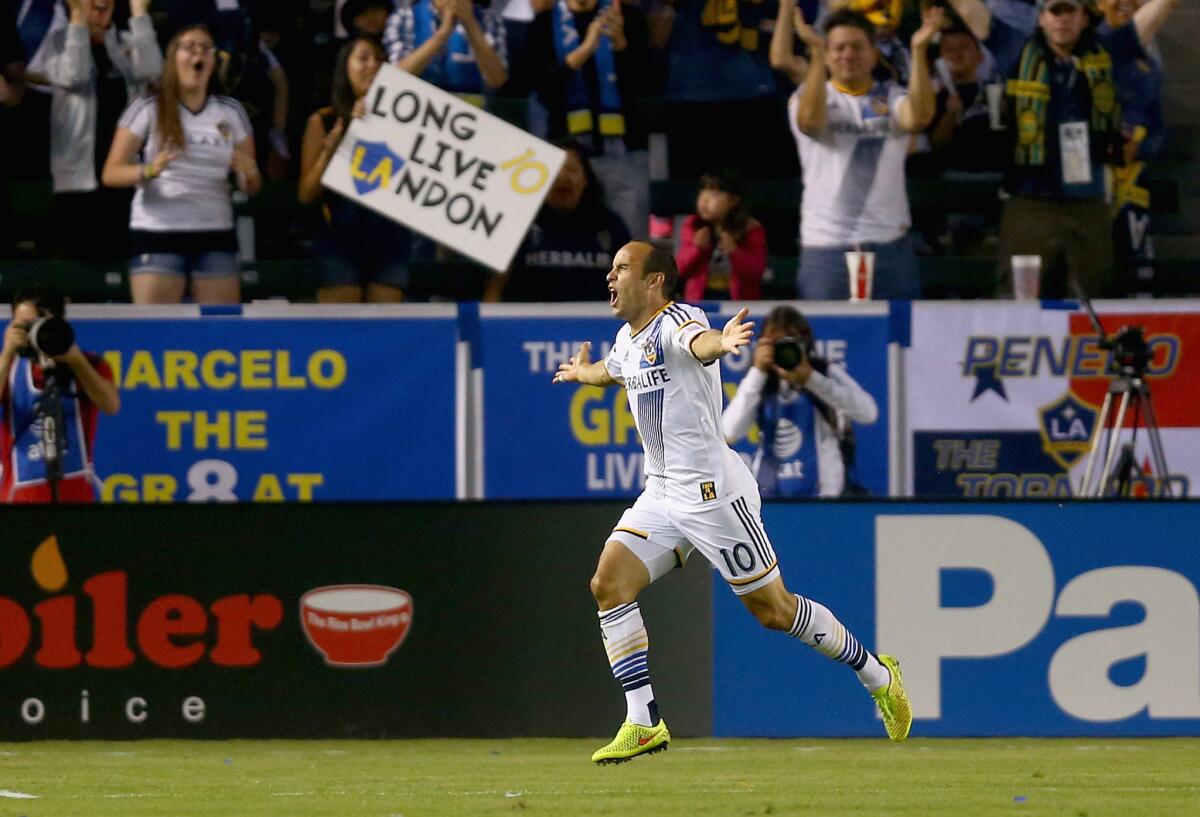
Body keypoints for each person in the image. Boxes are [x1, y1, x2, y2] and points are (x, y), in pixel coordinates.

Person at [552, 241, 911, 763]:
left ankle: (877, 674)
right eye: (610, 268)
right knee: (609, 584)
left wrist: (723, 341)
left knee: (774, 610)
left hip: (713, 496)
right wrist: (583, 373)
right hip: (662, 493)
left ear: (654, 281)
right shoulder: (627, 341)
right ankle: (642, 720)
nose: (610, 276)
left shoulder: (680, 320)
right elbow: (615, 370)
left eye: (622, 268)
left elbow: (698, 343)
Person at [978, 0, 1180, 297]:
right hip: (1029, 201)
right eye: (1054, 11)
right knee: (1019, 305)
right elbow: (969, 10)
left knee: (1091, 303)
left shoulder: (1107, 50)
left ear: (1086, 18)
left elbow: (1155, 14)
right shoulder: (1015, 46)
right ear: (1041, 18)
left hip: (1089, 202)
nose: (1063, 20)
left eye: (1071, 11)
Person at [787, 5, 942, 301]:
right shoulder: (808, 98)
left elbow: (919, 118)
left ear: (873, 52)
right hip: (826, 246)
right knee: (822, 341)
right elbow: (809, 122)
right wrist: (817, 56)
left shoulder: (892, 97)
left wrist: (919, 50)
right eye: (838, 48)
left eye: (857, 46)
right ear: (827, 53)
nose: (848, 54)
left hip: (889, 245)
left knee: (899, 342)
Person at [102, 25, 261, 305]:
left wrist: (249, 172)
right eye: (189, 47)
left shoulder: (231, 111)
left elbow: (250, 185)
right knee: (156, 334)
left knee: (220, 333)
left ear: (213, 62)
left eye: (206, 48)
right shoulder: (147, 106)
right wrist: (149, 170)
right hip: (157, 232)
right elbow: (111, 172)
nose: (198, 54)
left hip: (215, 234)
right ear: (173, 57)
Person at [41, 0, 162, 263]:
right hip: (78, 179)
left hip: (125, 175)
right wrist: (78, 21)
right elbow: (75, 75)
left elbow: (153, 73)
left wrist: (140, 14)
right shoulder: (58, 41)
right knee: (79, 267)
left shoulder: (128, 39)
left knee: (125, 262)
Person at [299, 36, 412, 303]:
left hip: (390, 237)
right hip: (339, 238)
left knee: (387, 333)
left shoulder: (406, 122)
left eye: (379, 60)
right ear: (345, 67)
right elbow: (306, 194)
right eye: (363, 58)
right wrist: (331, 150)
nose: (372, 65)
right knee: (342, 332)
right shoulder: (323, 120)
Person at [722, 305, 877, 497]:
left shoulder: (822, 372)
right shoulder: (761, 380)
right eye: (776, 344)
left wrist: (811, 379)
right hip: (768, 494)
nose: (784, 352)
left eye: (790, 343)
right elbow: (729, 431)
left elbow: (868, 413)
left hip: (824, 496)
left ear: (805, 343)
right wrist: (758, 371)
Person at [528, 0, 653, 236]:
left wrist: (620, 44)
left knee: (632, 248)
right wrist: (586, 48)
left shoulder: (628, 18)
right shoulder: (542, 25)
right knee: (565, 241)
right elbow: (543, 89)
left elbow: (646, 84)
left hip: (624, 152)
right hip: (568, 157)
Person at [0, 283, 119, 504]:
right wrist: (7, 354)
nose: (32, 334)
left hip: (75, 494)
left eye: (38, 325)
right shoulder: (9, 368)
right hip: (20, 496)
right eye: (23, 326)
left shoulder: (89, 363)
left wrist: (75, 360)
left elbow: (111, 405)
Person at [484, 139, 630, 301]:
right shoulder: (518, 223)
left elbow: (632, 287)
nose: (562, 177)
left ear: (586, 179)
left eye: (572, 170)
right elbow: (496, 286)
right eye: (554, 170)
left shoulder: (610, 225)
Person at [383, 0, 509, 103]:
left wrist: (470, 24)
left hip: (470, 114)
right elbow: (397, 76)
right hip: (413, 108)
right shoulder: (405, 16)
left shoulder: (488, 19)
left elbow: (497, 80)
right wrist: (443, 33)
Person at [675, 168, 767, 301]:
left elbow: (756, 271)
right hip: (700, 301)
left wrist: (735, 252)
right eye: (702, 192)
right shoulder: (692, 225)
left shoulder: (751, 229)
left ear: (733, 200)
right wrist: (697, 248)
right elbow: (681, 269)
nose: (704, 200)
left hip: (738, 302)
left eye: (714, 194)